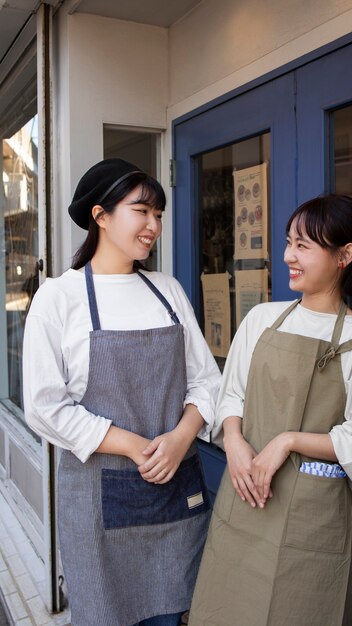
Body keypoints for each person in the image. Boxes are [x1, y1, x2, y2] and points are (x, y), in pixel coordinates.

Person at [22, 158, 221, 626]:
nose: (154, 225)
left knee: (172, 614)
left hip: (174, 496)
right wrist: (134, 445)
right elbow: (45, 407)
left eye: (158, 214)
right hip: (97, 507)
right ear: (101, 215)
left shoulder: (167, 290)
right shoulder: (59, 298)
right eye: (142, 211)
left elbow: (208, 382)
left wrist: (180, 438)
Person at [189, 194, 352, 626]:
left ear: (345, 255)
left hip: (315, 517)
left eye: (303, 245)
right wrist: (233, 440)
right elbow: (232, 396)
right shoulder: (262, 318)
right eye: (288, 242)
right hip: (244, 497)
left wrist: (287, 441)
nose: (288, 256)